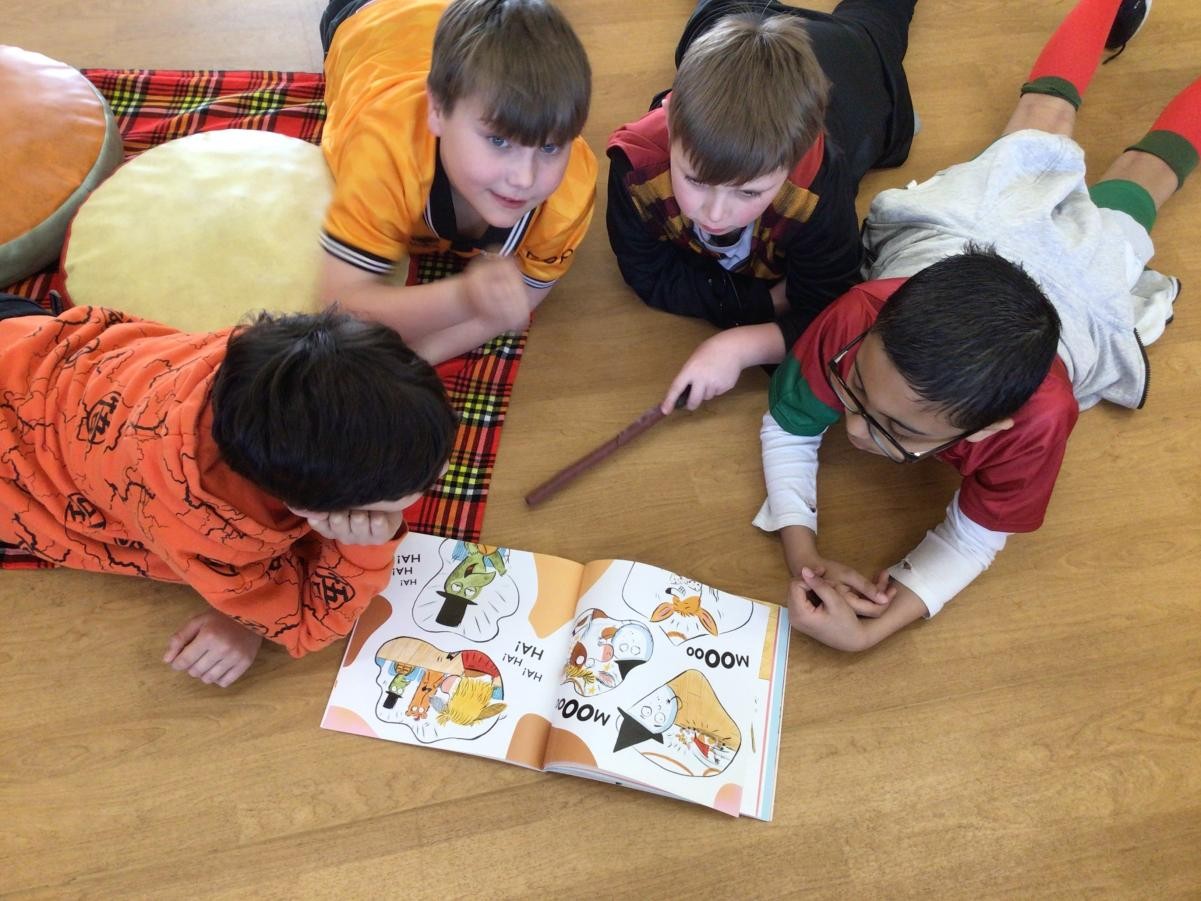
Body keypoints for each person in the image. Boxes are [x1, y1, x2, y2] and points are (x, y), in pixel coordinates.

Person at [670, 0, 1193, 650]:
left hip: (1084, 281)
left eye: (899, 430)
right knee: (1043, 117)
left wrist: (873, 630)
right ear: (876, 322)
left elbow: (976, 535)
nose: (853, 430)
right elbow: (791, 423)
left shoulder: (1038, 420)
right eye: (856, 389)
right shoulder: (859, 311)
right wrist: (803, 557)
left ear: (992, 428)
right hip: (975, 224)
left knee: (1143, 181)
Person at [0, 298, 458, 685]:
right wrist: (364, 548)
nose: (438, 475)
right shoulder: (210, 527)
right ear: (306, 509)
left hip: (25, 340)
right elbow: (305, 624)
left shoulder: (264, 362)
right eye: (408, 493)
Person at [606, 0, 917, 363]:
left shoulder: (817, 187)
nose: (715, 214)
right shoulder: (637, 163)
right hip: (734, 16)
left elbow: (827, 305)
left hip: (852, 56)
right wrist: (765, 301)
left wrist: (742, 344)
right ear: (670, 120)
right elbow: (645, 272)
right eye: (696, 181)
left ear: (797, 161)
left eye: (749, 192)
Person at [316, 0, 597, 365]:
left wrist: (417, 361)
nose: (524, 178)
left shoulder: (571, 190)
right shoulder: (385, 148)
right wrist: (463, 298)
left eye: (549, 147)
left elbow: (518, 301)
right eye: (498, 141)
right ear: (436, 110)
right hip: (370, 14)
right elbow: (340, 309)